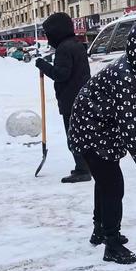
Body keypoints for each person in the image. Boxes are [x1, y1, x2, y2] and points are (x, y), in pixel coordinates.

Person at [68, 17, 136, 265]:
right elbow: (128, 128)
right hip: (90, 127)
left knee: (105, 181)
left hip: (106, 124)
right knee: (113, 183)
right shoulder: (125, 75)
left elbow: (135, 109)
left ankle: (101, 230)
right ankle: (112, 244)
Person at [35, 12, 91, 183]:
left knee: (74, 136)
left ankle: (83, 170)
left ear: (56, 32)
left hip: (71, 101)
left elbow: (61, 74)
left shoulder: (64, 49)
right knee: (82, 134)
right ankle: (87, 166)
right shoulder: (76, 45)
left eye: (48, 34)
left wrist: (43, 65)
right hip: (82, 98)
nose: (48, 38)